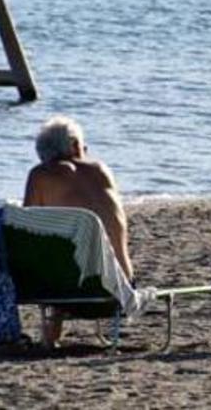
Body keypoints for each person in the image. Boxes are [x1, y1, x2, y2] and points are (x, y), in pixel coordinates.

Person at [23, 116, 133, 345]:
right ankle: (52, 331)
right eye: (83, 145)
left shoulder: (41, 175)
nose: (86, 150)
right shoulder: (102, 170)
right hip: (119, 289)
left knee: (53, 251)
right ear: (73, 145)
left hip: (71, 293)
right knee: (73, 249)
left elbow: (27, 232)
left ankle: (48, 333)